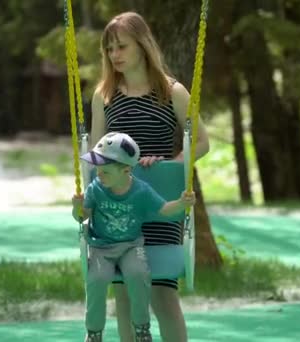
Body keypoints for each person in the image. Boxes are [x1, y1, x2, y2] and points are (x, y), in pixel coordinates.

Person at [89, 11, 210, 342]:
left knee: (161, 293)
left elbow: (201, 142)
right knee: (125, 297)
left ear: (142, 45)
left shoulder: (173, 92)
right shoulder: (104, 95)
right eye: (109, 49)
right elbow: (97, 154)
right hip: (117, 210)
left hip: (158, 203)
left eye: (121, 47)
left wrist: (169, 165)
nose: (114, 55)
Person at [72, 132, 196, 342]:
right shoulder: (95, 188)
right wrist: (77, 208)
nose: (99, 175)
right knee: (96, 280)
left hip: (131, 246)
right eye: (98, 169)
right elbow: (82, 217)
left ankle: (141, 327)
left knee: (138, 275)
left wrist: (182, 203)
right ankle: (93, 332)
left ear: (126, 170)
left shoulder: (141, 191)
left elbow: (165, 209)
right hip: (101, 247)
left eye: (106, 171)